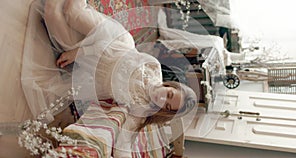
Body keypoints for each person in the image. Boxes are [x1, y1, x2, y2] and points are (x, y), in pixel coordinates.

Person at [42, 0, 197, 156]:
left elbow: (124, 145)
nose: (162, 99)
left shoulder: (140, 110)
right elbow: (113, 49)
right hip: (108, 41)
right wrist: (78, 52)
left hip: (88, 67)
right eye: (169, 94)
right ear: (171, 86)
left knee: (51, 13)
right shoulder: (152, 67)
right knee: (72, 11)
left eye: (167, 106)